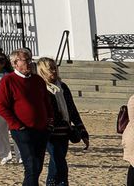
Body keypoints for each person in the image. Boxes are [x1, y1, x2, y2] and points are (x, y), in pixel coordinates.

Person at [0, 47, 51, 186]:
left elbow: (46, 102)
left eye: (30, 60)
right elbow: (2, 107)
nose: (29, 63)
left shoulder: (38, 80)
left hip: (41, 128)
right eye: (25, 60)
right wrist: (17, 125)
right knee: (31, 165)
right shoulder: (8, 80)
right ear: (15, 63)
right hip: (22, 130)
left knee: (37, 166)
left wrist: (49, 120)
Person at [37, 56, 86, 185]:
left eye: (55, 68)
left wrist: (82, 130)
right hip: (49, 133)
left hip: (64, 131)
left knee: (57, 162)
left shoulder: (62, 86)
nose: (54, 71)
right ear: (42, 71)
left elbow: (72, 110)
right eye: (50, 69)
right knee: (59, 162)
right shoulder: (39, 88)